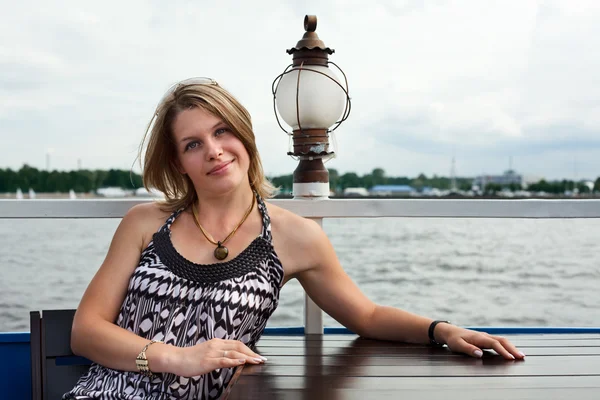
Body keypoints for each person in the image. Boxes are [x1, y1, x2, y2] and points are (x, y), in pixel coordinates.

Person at [64, 78, 525, 400]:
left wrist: (438, 330)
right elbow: (86, 332)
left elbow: (363, 314)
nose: (214, 151)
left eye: (222, 131)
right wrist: (176, 359)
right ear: (179, 162)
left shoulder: (293, 238)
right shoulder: (146, 223)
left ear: (244, 135)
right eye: (193, 144)